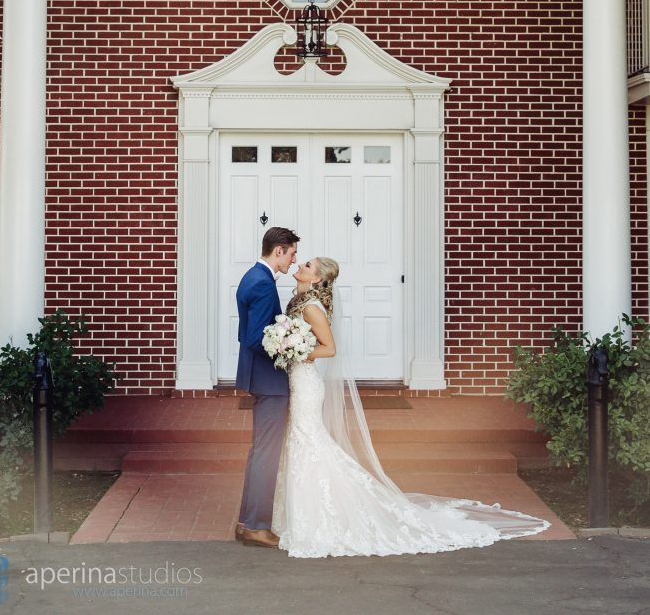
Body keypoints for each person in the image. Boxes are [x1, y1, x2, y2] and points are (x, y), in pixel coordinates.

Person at [271, 256, 550, 558]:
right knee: (303, 442)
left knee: (307, 442)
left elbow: (330, 348)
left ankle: (320, 518)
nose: (301, 266)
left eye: (308, 266)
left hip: (307, 385)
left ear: (316, 279)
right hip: (297, 382)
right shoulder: (298, 300)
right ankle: (301, 514)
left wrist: (296, 349)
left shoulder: (311, 307)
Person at [235, 226, 300, 548]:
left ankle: (246, 522)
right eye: (291, 254)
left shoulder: (251, 276)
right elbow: (255, 337)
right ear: (278, 251)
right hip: (269, 379)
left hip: (257, 376)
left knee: (259, 451)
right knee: (266, 453)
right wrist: (289, 346)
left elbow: (244, 333)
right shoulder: (262, 284)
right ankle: (257, 526)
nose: (293, 260)